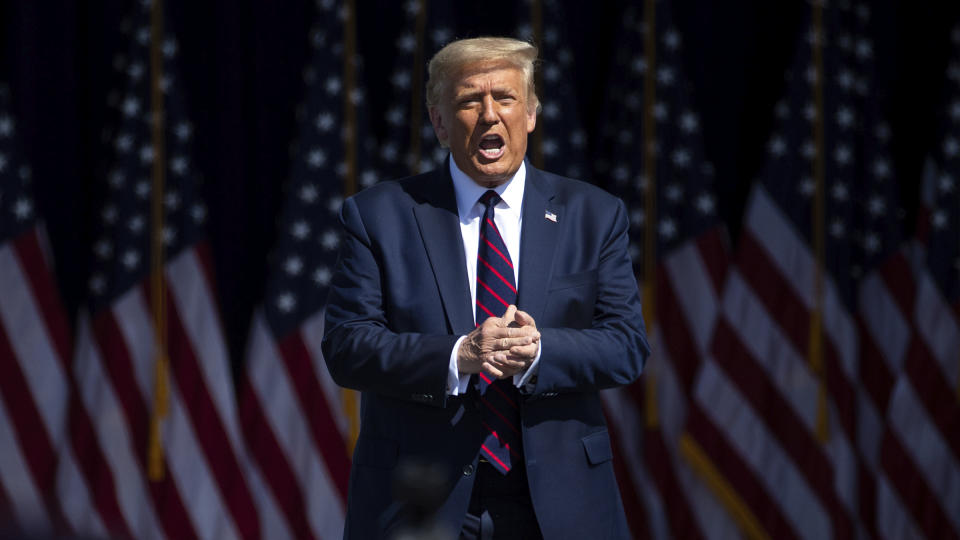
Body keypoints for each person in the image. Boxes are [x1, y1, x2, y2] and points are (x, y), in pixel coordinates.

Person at [323, 36, 650, 539]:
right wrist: (457, 355)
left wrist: (542, 350)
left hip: (560, 506)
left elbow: (627, 346)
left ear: (532, 115)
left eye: (505, 98)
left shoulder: (594, 215)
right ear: (439, 123)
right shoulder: (378, 216)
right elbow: (347, 347)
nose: (490, 115)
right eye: (470, 101)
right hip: (421, 504)